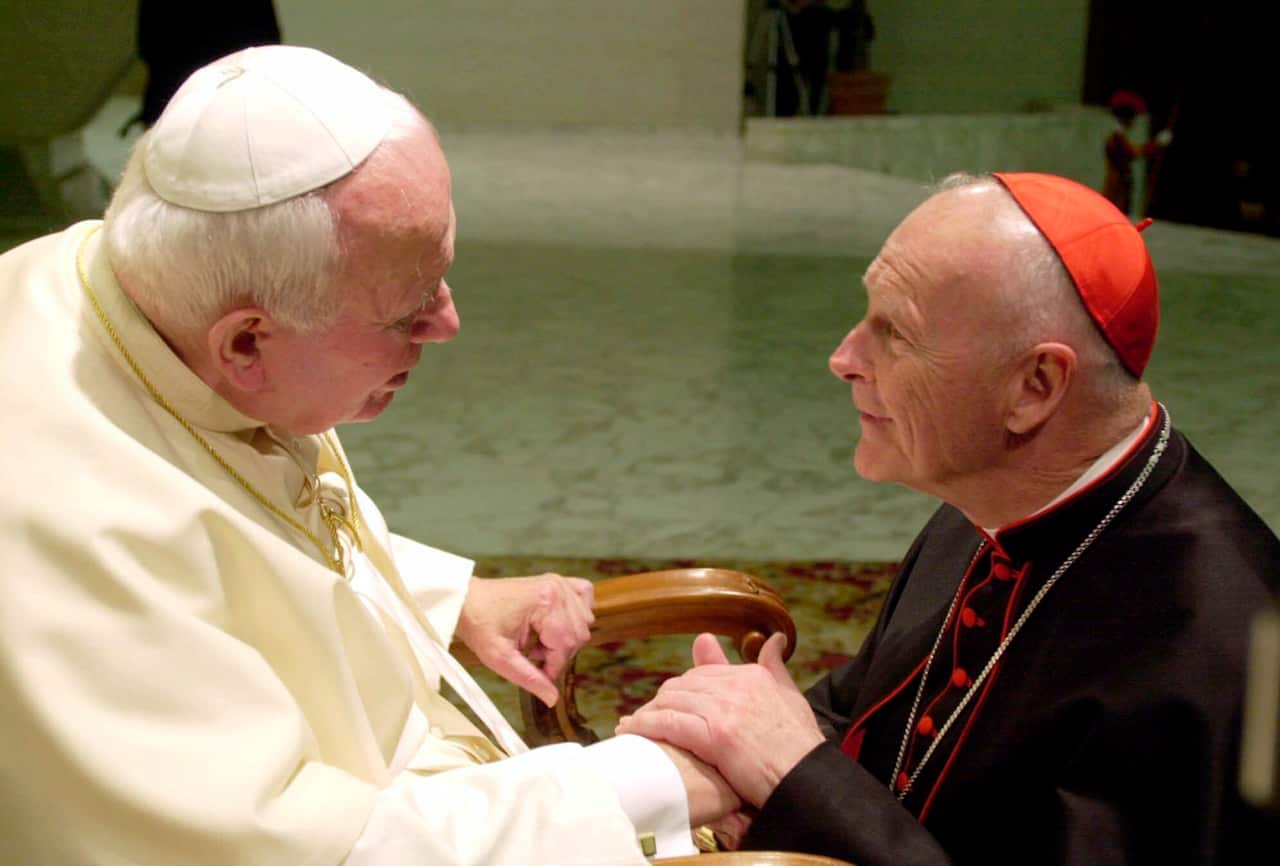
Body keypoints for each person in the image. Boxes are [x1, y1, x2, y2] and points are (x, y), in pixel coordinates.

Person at [0, 45, 739, 865]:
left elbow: (241, 522)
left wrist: (447, 601)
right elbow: (287, 848)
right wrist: (643, 783)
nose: (448, 323)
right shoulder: (57, 535)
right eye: (406, 310)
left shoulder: (129, 287)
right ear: (247, 341)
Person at [619, 171, 1280, 864]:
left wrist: (795, 780)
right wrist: (726, 747)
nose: (843, 358)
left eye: (895, 332)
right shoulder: (997, 490)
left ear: (1035, 387)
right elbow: (862, 714)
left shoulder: (1213, 649)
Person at [1102, 89, 1172, 216]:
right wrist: (1157, 143)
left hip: (1122, 187)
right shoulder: (1117, 137)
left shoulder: (1119, 135)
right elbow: (1133, 152)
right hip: (1116, 189)